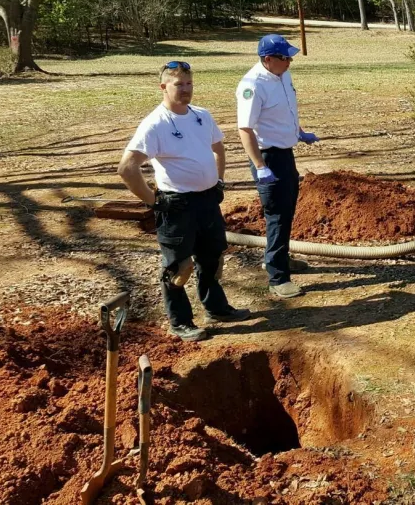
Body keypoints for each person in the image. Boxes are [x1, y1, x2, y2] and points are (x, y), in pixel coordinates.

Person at [118, 61, 251, 342]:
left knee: (212, 259)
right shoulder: (155, 124)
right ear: (163, 87)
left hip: (207, 201)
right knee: (178, 267)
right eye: (179, 84)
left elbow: (218, 149)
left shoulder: (201, 116)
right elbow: (127, 168)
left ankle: (217, 308)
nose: (186, 89)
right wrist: (154, 202)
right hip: (176, 205)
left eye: (189, 83)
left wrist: (218, 181)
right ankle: (180, 322)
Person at [237, 34, 319, 299]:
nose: (290, 61)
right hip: (268, 157)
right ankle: (278, 277)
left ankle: (280, 258)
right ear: (267, 59)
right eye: (285, 57)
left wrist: (299, 132)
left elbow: (285, 111)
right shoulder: (252, 85)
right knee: (276, 214)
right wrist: (260, 166)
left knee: (288, 210)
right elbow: (245, 129)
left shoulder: (282, 75)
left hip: (285, 153)